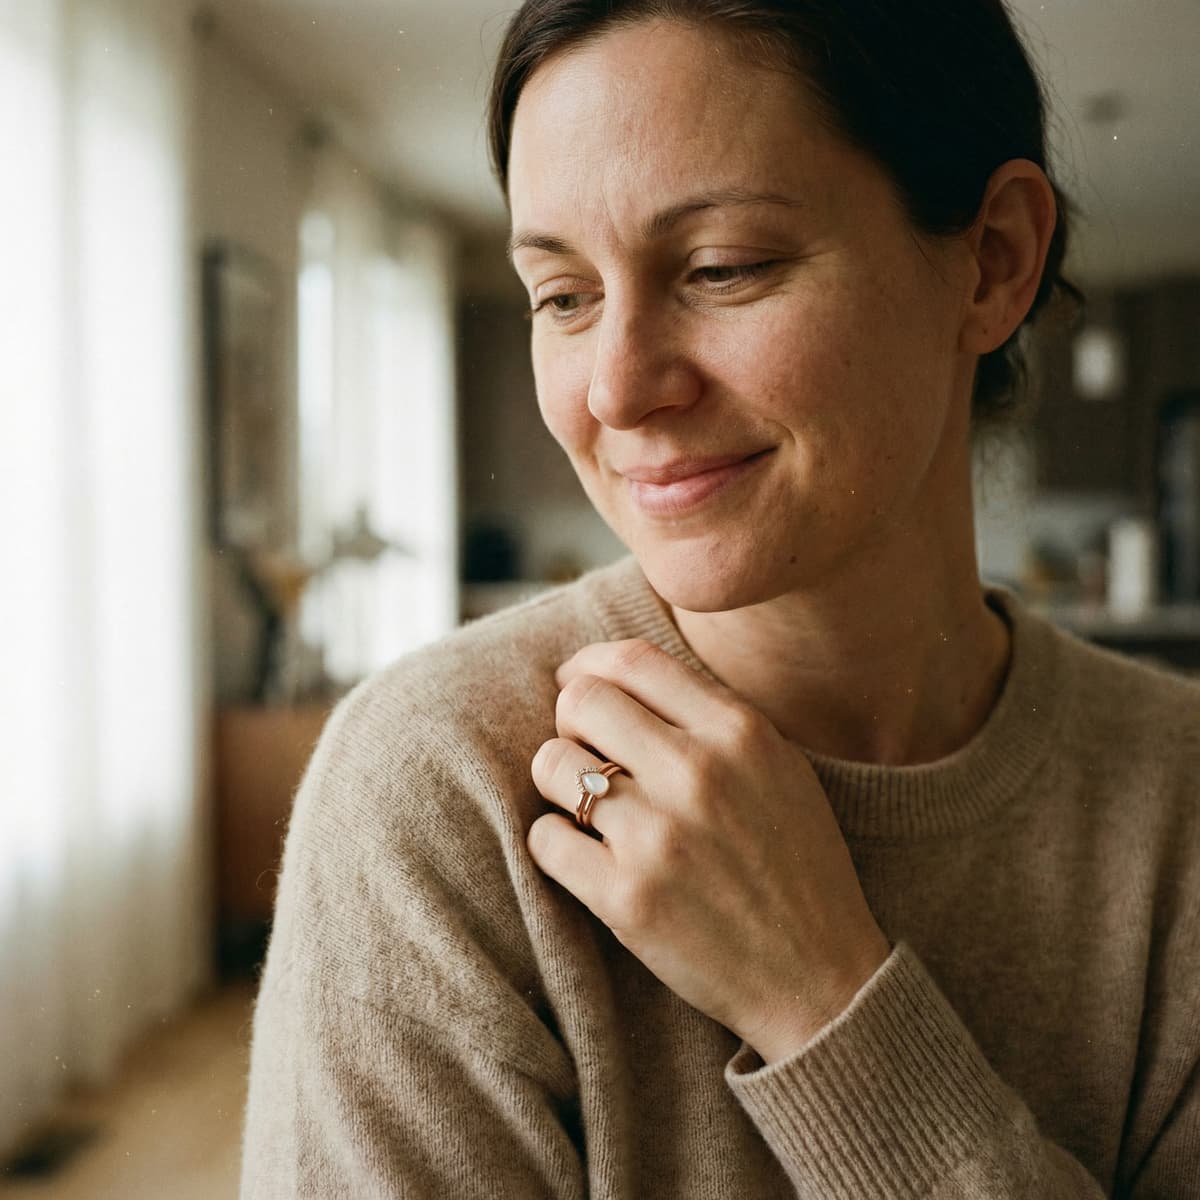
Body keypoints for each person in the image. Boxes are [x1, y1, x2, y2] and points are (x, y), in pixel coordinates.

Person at [240, 2, 1200, 1196]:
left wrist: (824, 1002)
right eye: (562, 296)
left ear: (993, 260)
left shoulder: (1182, 808)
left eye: (721, 267)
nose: (620, 389)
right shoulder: (439, 790)